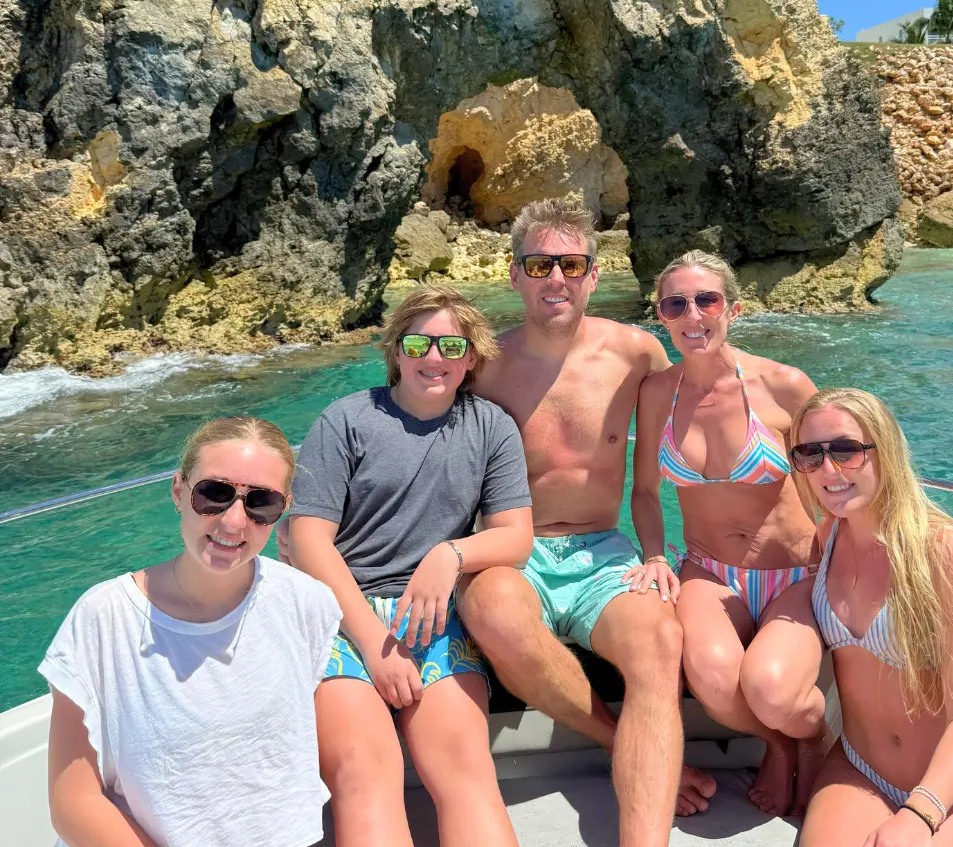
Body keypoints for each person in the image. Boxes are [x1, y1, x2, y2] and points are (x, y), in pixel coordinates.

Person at [457, 198, 717, 847]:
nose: (556, 279)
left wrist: (661, 554)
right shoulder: (482, 365)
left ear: (594, 276)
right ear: (513, 274)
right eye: (540, 264)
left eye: (571, 264)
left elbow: (696, 433)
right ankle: (615, 738)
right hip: (515, 549)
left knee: (660, 643)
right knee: (491, 612)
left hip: (603, 550)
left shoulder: (636, 353)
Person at [288, 286, 533, 847]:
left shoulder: (491, 427)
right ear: (396, 350)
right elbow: (309, 539)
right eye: (419, 342)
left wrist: (449, 555)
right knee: (365, 778)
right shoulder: (346, 420)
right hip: (342, 617)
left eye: (452, 345)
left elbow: (515, 538)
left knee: (468, 776)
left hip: (431, 616)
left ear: (471, 358)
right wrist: (373, 643)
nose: (434, 357)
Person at [41, 416, 340, 847]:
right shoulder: (104, 617)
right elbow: (73, 801)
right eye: (215, 494)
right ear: (179, 491)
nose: (234, 522)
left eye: (261, 503)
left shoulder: (305, 603)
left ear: (283, 509)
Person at [792, 388, 953, 847]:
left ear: (884, 450)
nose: (828, 470)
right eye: (810, 455)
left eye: (846, 451)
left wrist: (917, 815)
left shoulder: (948, 554)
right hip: (860, 770)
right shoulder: (828, 535)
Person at [630, 250, 825, 818]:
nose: (693, 314)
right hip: (709, 569)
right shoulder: (656, 393)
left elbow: (846, 469)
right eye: (675, 304)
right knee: (715, 684)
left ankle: (811, 737)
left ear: (732, 309)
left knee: (770, 688)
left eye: (706, 300)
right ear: (661, 318)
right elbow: (643, 493)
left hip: (794, 572)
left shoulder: (784, 386)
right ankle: (782, 746)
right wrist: (654, 555)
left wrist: (914, 526)